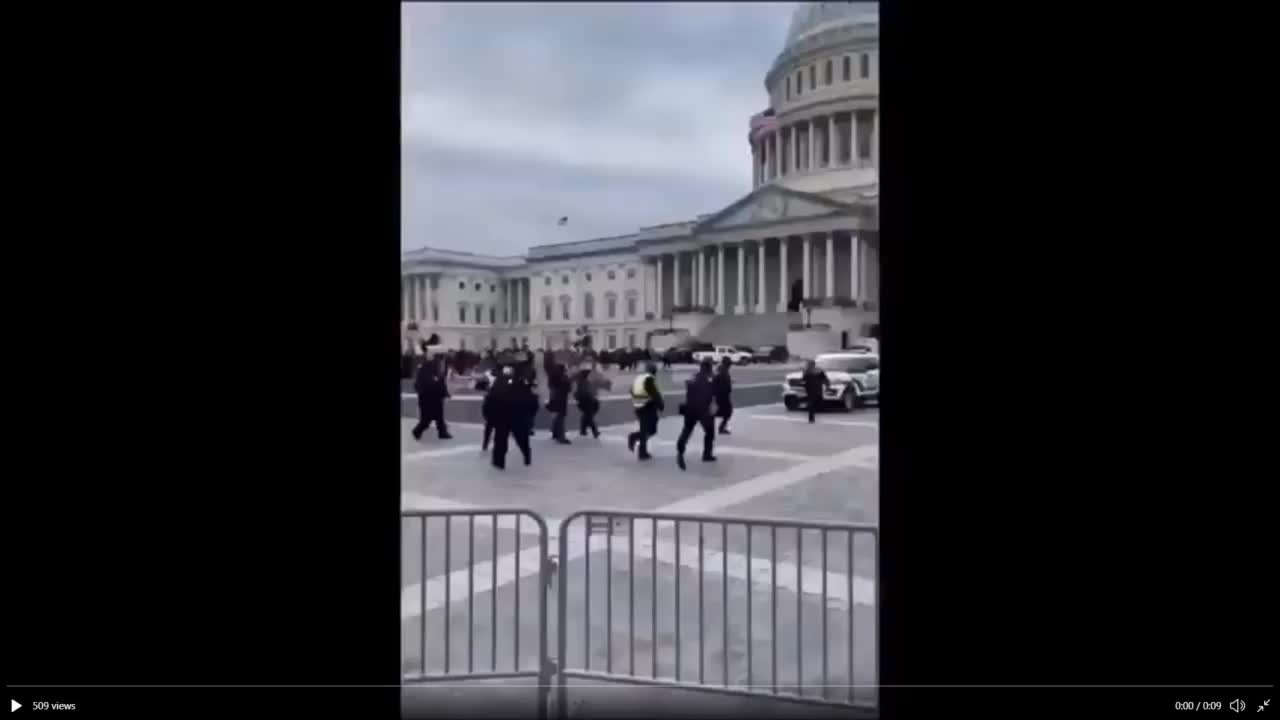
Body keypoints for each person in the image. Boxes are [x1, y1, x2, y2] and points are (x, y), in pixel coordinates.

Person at [675, 358, 717, 471]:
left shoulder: (693, 377)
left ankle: (680, 451)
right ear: (709, 367)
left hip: (690, 408)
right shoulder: (711, 378)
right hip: (704, 410)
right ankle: (707, 454)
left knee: (687, 430)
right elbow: (713, 393)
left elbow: (688, 387)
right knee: (709, 433)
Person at [492, 366, 534, 469]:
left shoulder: (499, 383)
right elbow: (529, 400)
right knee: (520, 439)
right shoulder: (521, 383)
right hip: (515, 415)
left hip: (505, 415)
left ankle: (499, 462)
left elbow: (492, 399)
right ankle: (526, 457)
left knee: (502, 440)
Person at [627, 362, 664, 460]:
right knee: (647, 430)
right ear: (653, 371)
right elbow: (655, 394)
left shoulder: (640, 378)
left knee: (649, 430)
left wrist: (637, 399)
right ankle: (641, 452)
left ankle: (635, 439)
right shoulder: (649, 379)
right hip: (647, 407)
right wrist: (661, 405)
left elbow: (631, 390)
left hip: (639, 407)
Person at [411, 356, 453, 441]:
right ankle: (417, 431)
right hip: (427, 398)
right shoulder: (427, 369)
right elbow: (427, 384)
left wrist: (445, 393)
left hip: (435, 397)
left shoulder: (437, 368)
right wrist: (444, 392)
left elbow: (441, 382)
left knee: (439, 417)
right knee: (426, 420)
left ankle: (442, 432)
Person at [546, 362, 572, 444]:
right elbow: (567, 387)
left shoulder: (552, 376)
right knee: (560, 417)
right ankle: (561, 437)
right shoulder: (562, 377)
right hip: (561, 398)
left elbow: (551, 386)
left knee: (557, 416)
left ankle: (555, 434)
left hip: (555, 398)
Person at [801, 359, 831, 424]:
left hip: (811, 389)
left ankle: (811, 415)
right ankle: (811, 418)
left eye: (809, 364)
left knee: (814, 403)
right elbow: (825, 379)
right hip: (815, 389)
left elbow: (803, 380)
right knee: (813, 403)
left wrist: (827, 385)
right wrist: (827, 385)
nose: (808, 365)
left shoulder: (807, 371)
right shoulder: (817, 371)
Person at [575, 364, 601, 438]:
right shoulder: (583, 382)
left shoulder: (582, 381)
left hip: (586, 401)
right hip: (587, 401)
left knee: (586, 416)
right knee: (589, 416)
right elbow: (584, 392)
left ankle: (583, 430)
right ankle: (594, 431)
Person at [713, 356, 734, 434]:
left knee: (725, 412)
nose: (730, 366)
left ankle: (721, 427)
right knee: (727, 412)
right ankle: (721, 428)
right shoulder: (723, 371)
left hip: (721, 395)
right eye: (730, 364)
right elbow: (719, 382)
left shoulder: (721, 370)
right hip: (722, 395)